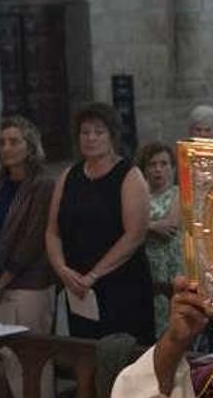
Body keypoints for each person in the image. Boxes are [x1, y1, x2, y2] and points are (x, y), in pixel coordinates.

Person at [46, 103, 155, 343]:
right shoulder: (69, 175)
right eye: (85, 132)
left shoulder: (129, 175)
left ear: (112, 136)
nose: (91, 138)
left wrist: (94, 275)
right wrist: (63, 270)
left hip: (121, 285)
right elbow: (52, 231)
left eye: (98, 132)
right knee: (85, 357)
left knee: (121, 359)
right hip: (79, 287)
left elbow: (134, 235)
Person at [0, 116, 56, 398]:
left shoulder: (42, 184)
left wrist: (3, 280)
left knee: (31, 361)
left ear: (30, 146)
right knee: (6, 357)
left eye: (15, 141)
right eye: (3, 142)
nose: (7, 147)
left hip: (28, 284)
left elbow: (33, 239)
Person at [137, 142, 182, 340]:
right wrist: (153, 226)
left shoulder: (178, 193)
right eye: (152, 164)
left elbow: (170, 226)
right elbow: (127, 225)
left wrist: (143, 226)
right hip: (147, 271)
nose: (158, 169)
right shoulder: (138, 196)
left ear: (172, 168)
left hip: (173, 271)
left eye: (163, 164)